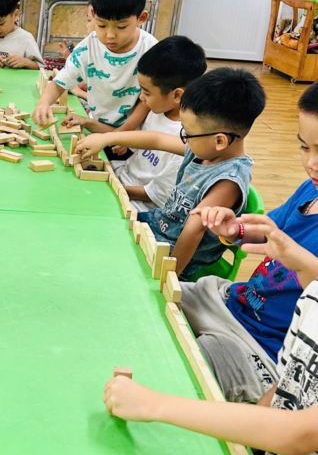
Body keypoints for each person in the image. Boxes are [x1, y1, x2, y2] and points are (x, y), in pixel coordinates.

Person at [103, 220, 318, 455]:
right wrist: (248, 450)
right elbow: (286, 387)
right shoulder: (311, 294)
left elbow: (298, 434)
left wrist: (154, 405)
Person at [180, 81, 318, 402]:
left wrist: (299, 259)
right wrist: (235, 229)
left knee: (192, 363)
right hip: (231, 303)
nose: (311, 162)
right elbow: (269, 231)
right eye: (305, 147)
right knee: (155, 295)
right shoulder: (310, 189)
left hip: (263, 349)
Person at [76, 67, 266, 279]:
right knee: (95, 222)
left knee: (102, 263)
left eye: (188, 133)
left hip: (173, 256)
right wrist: (107, 138)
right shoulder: (206, 146)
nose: (184, 138)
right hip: (156, 226)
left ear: (220, 140)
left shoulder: (228, 181)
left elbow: (193, 229)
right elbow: (156, 139)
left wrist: (168, 276)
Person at [32, 0, 155, 130]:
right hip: (98, 125)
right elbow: (58, 84)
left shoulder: (151, 51)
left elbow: (147, 101)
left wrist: (120, 134)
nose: (110, 35)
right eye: (102, 25)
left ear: (141, 18)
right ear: (92, 13)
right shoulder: (87, 48)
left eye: (121, 27)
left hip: (134, 133)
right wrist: (43, 103)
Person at [110, 36, 207, 210]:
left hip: (140, 204)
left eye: (147, 92)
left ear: (177, 95)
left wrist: (111, 187)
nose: (141, 97)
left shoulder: (189, 138)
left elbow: (154, 195)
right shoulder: (159, 110)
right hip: (123, 177)